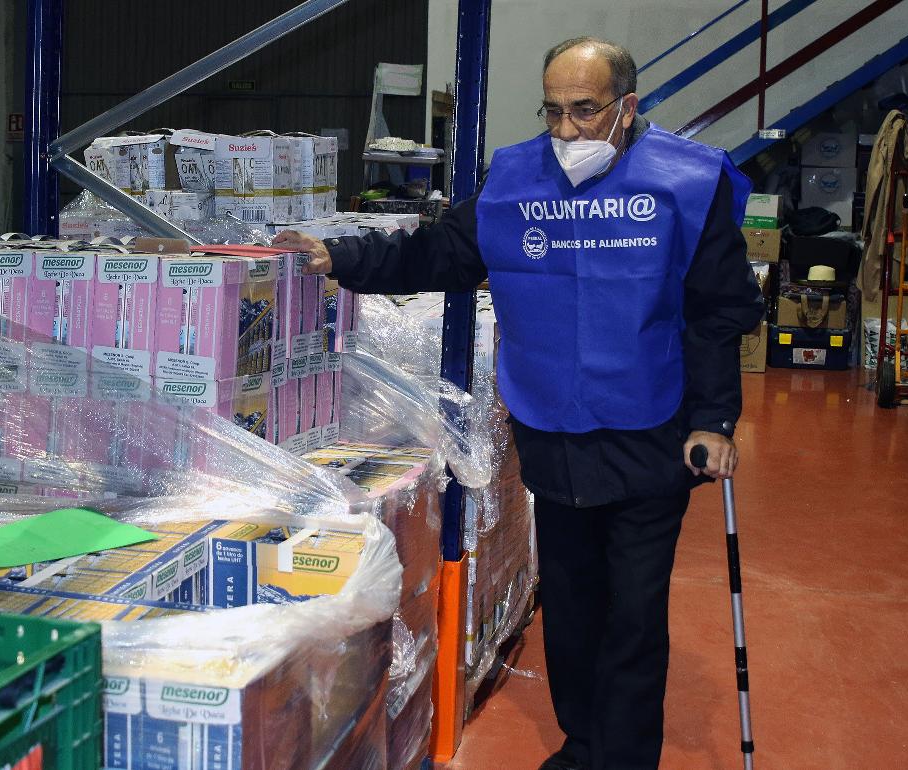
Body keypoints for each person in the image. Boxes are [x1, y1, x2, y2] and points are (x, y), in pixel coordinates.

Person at [275, 37, 764, 770]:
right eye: (555, 111)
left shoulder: (685, 184)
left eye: (586, 112)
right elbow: (437, 253)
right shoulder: (516, 181)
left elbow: (720, 310)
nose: (566, 131)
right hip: (553, 435)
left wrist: (714, 420)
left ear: (627, 109)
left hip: (649, 433)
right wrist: (340, 258)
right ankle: (584, 744)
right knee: (569, 607)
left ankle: (623, 759)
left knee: (632, 617)